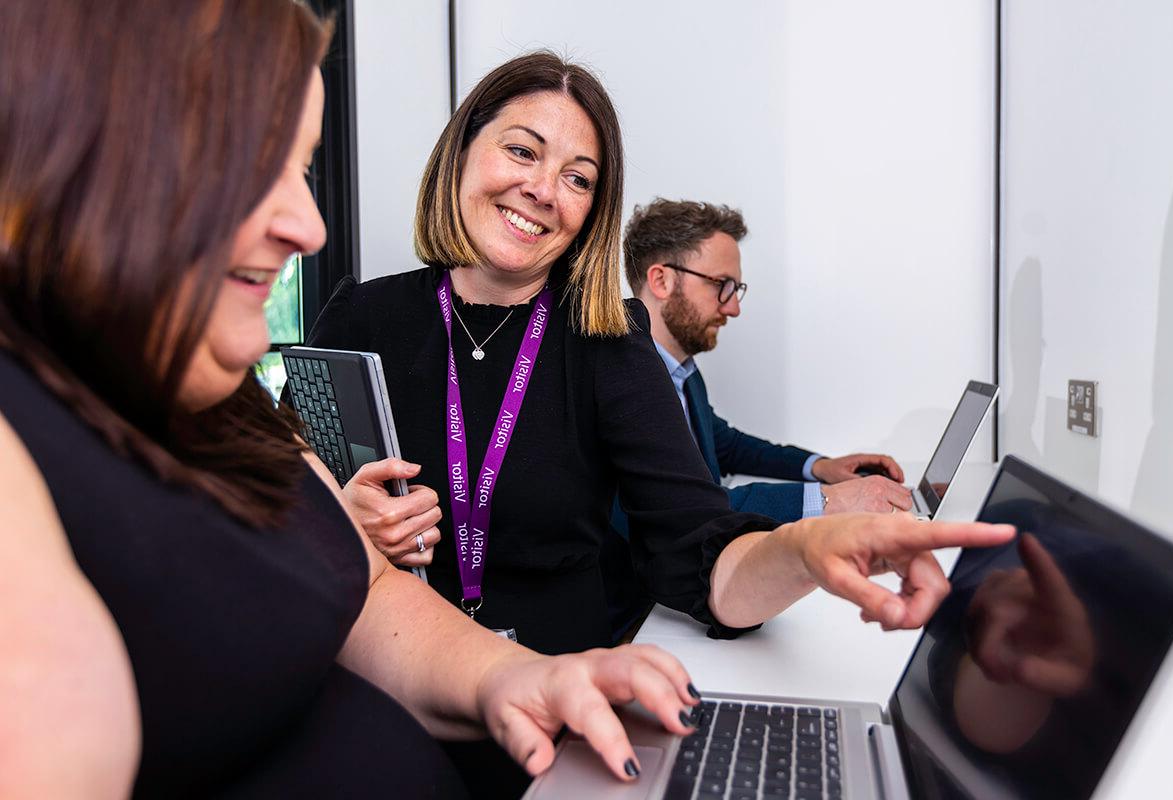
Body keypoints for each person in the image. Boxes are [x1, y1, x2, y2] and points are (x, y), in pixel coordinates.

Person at [0, 3, 705, 796]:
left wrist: (509, 678)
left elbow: (366, 592)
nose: (309, 226)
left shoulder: (218, 397)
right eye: (256, 161)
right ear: (87, 142)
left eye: (302, 169)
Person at [304, 50, 1013, 660]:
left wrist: (805, 550)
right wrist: (340, 518)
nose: (544, 191)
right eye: (522, 151)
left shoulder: (610, 339)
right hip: (388, 674)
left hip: (560, 701)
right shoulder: (360, 315)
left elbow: (702, 553)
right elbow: (273, 497)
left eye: (579, 178)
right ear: (462, 149)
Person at [622, 198, 912, 520]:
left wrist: (820, 467)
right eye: (721, 285)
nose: (733, 308)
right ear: (661, 281)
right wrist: (829, 500)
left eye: (736, 289)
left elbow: (726, 446)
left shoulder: (681, 373)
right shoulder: (619, 385)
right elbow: (682, 508)